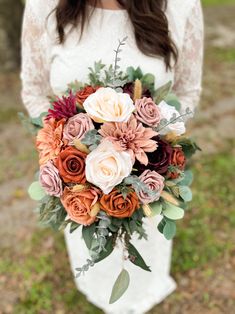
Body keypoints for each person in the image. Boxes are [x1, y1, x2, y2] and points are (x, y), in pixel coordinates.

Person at [21, 0, 204, 313]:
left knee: (145, 243)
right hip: (78, 181)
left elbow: (187, 92)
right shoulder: (44, 5)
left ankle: (144, 289)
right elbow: (34, 91)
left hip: (148, 175)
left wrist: (152, 155)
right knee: (93, 246)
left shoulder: (181, 6)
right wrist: (68, 151)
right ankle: (95, 284)